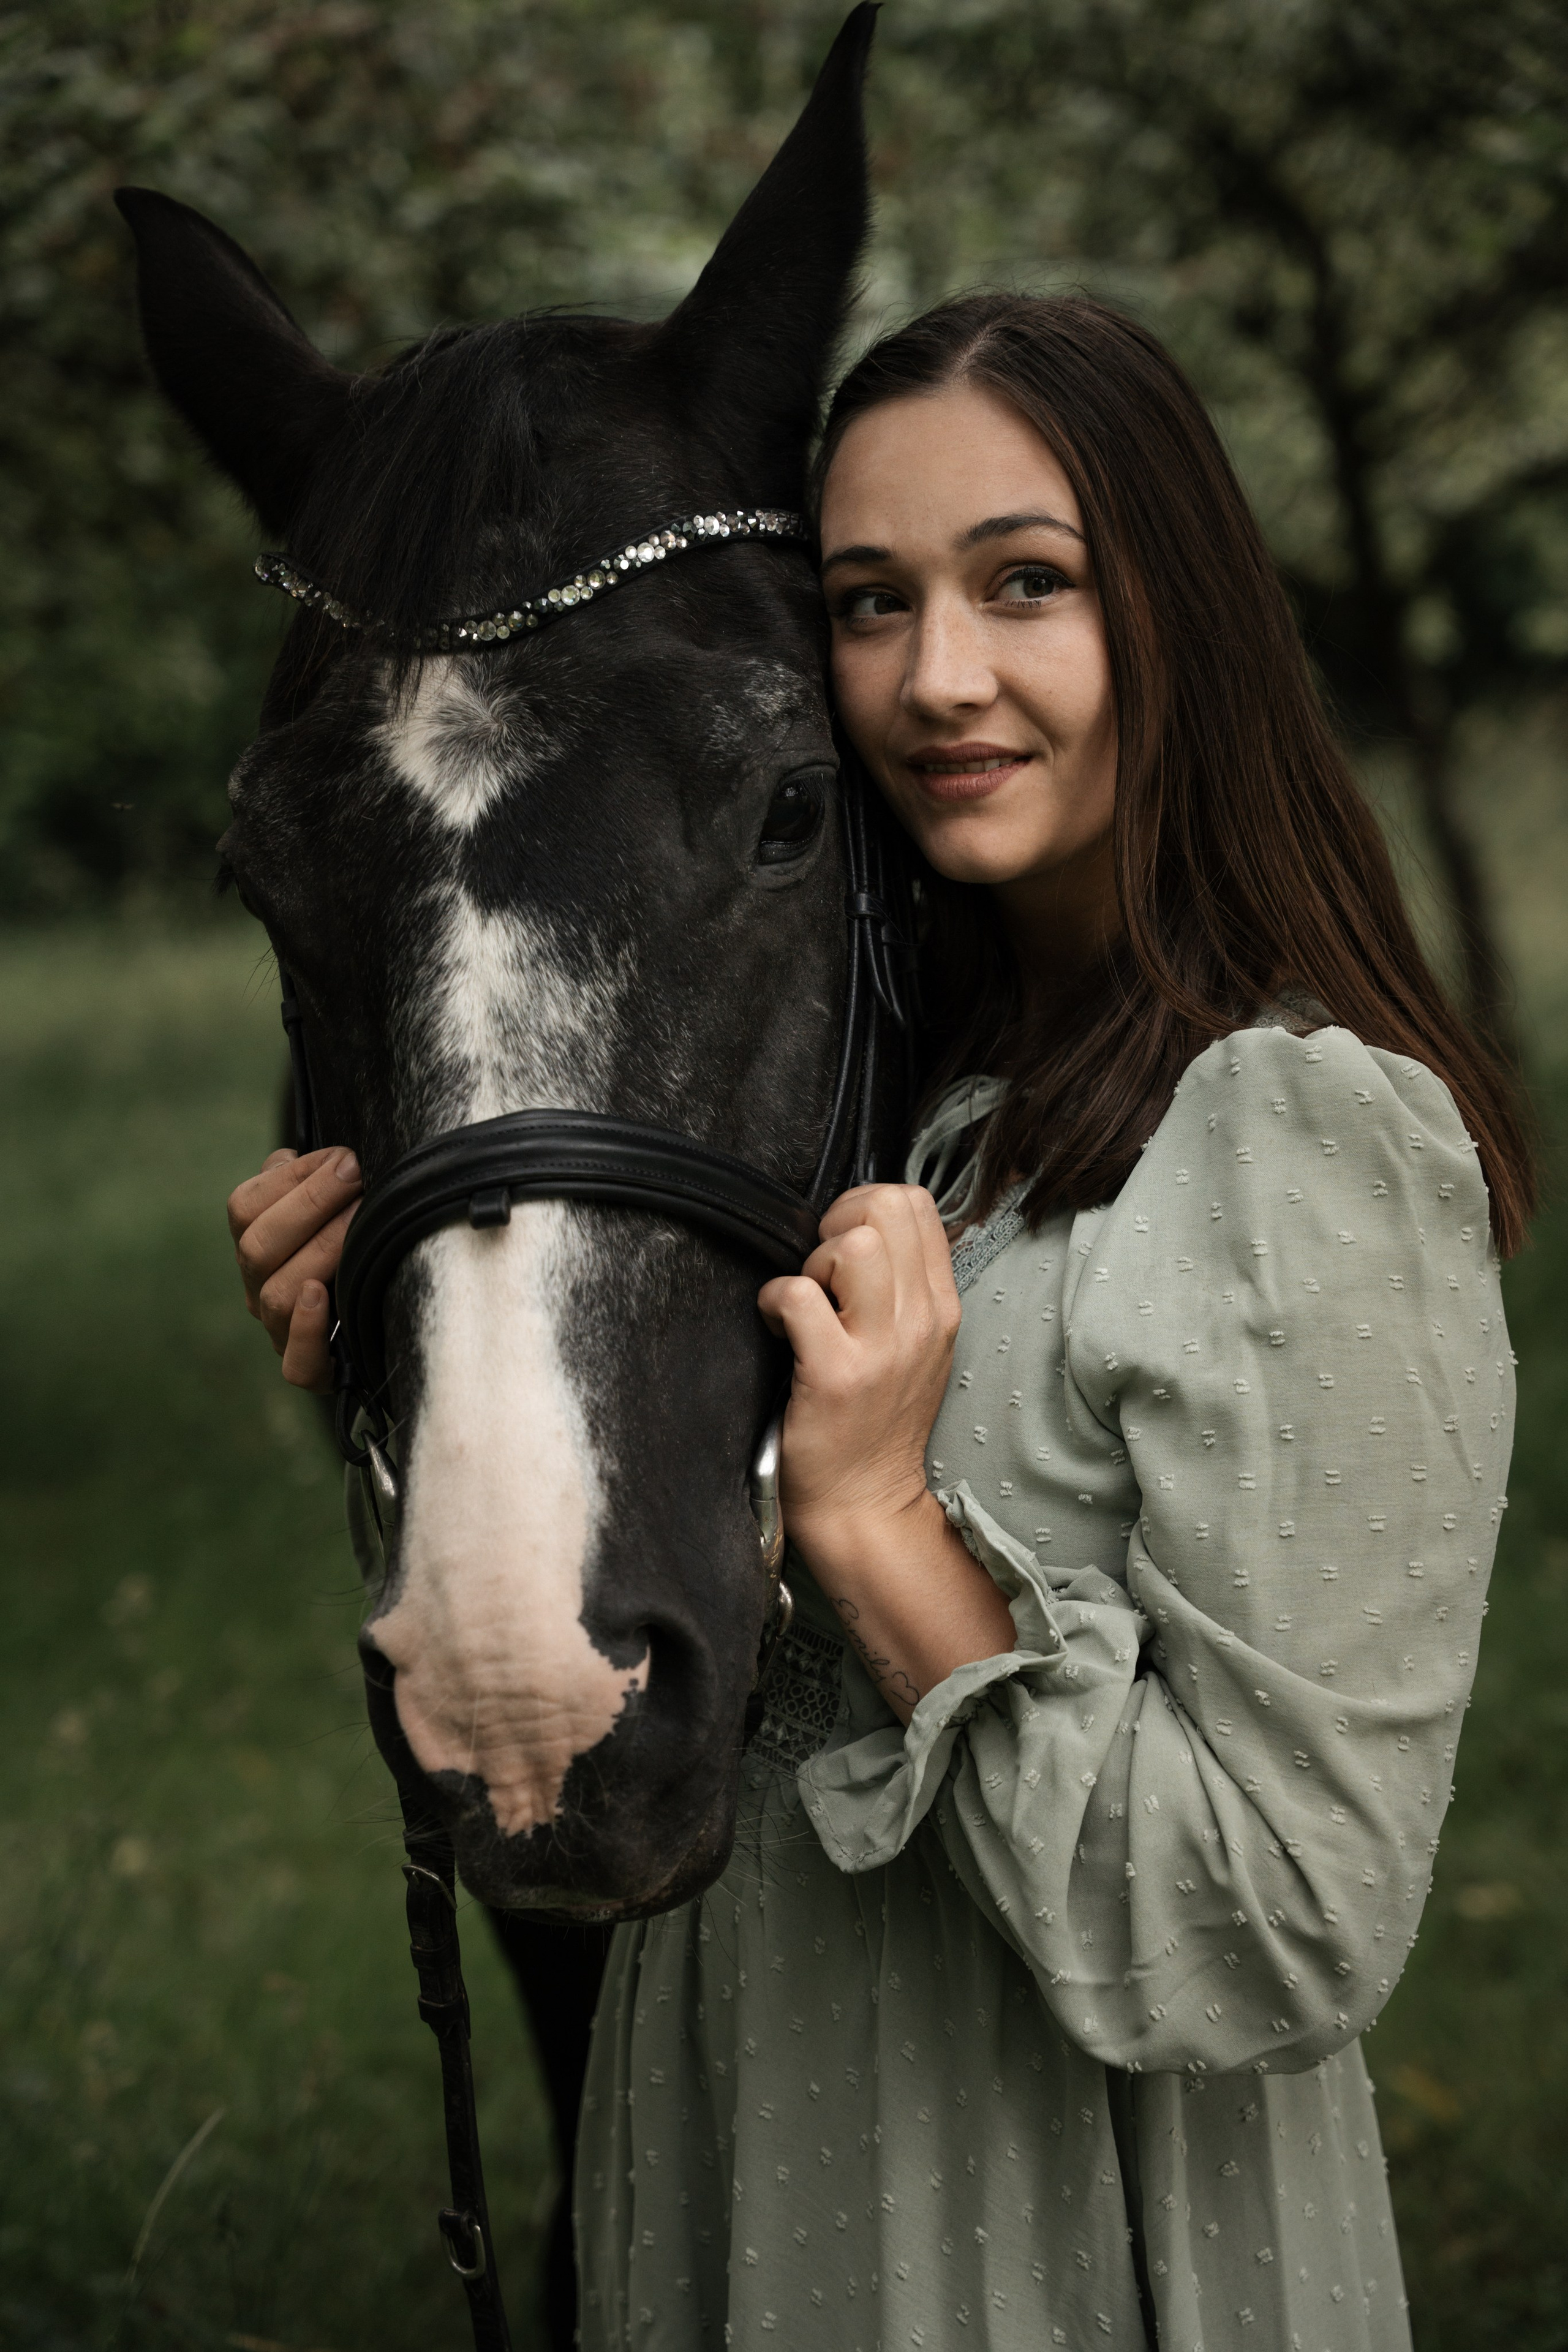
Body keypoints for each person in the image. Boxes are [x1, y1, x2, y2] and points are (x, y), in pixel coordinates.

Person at [227, 292, 1529, 2351]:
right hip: (728, 2166)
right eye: (866, 601)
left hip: (1043, 2245)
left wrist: (882, 1530)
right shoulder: (881, 1096)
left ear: (1179, 611)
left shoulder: (1301, 1137)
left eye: (1027, 584)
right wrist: (421, 1347)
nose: (937, 677)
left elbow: (1284, 1931)